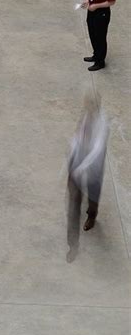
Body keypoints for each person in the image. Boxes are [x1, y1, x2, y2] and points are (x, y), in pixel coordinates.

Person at [66, 93, 109, 263]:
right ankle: (73, 245)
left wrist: (81, 168)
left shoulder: (103, 123)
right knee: (73, 205)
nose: (87, 111)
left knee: (93, 196)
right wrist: (71, 155)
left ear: (97, 107)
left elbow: (97, 150)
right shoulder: (85, 117)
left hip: (92, 169)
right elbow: (78, 138)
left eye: (90, 107)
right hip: (77, 165)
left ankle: (92, 215)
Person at [80, 0, 116, 72]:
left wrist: (96, 6)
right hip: (91, 12)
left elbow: (111, 1)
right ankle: (96, 55)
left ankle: (100, 62)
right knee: (92, 34)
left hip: (102, 14)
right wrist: (86, 1)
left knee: (100, 37)